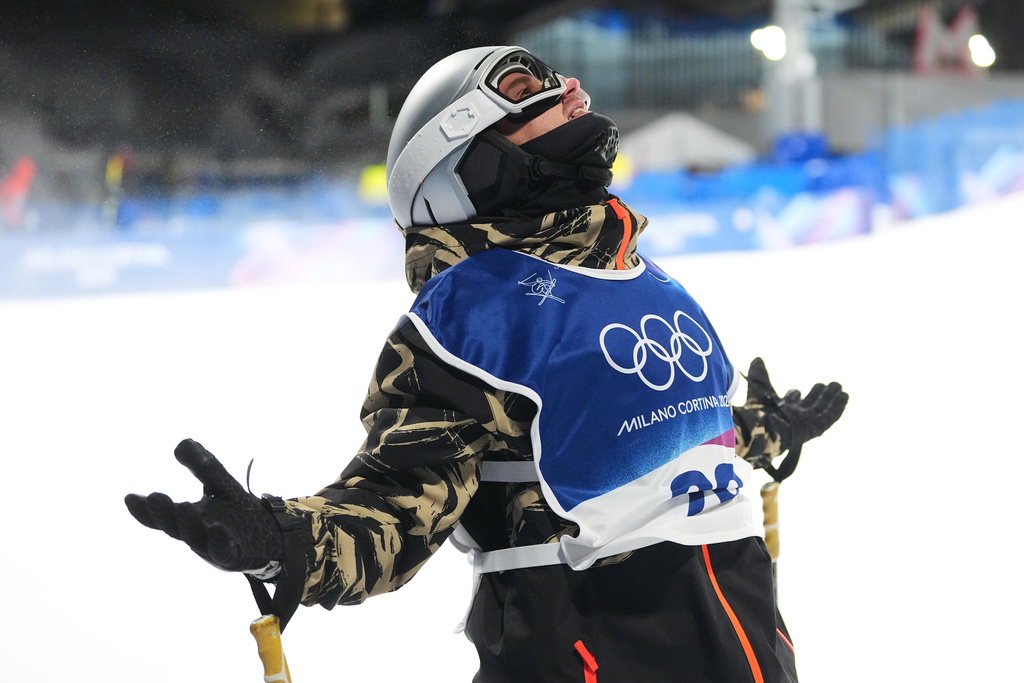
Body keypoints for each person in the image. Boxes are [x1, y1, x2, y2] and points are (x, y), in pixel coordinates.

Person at [126, 46, 848, 682]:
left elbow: (677, 437)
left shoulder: (643, 279)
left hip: (748, 649)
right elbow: (396, 504)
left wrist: (769, 428)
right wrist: (282, 538)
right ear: (468, 157)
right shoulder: (473, 317)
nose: (570, 90)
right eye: (522, 90)